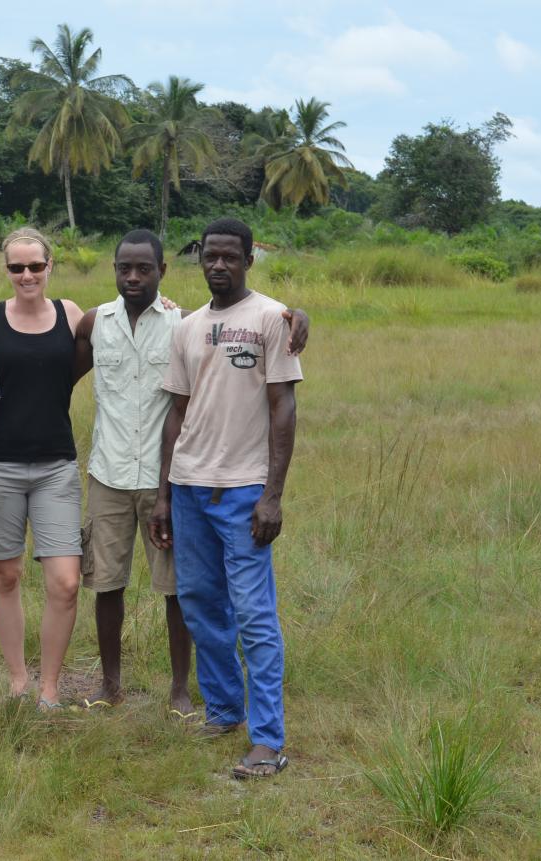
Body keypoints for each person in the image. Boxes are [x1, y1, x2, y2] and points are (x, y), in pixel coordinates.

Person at [73, 229, 308, 715]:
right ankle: (121, 686)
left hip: (201, 483)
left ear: (164, 271)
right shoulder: (102, 323)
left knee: (188, 592)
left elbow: (273, 395)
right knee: (123, 586)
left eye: (145, 268)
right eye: (124, 267)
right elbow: (55, 371)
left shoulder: (185, 321)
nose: (133, 276)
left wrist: (298, 317)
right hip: (124, 475)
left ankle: (188, 693)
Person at [150, 217, 301, 780]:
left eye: (229, 257)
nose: (218, 265)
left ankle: (267, 741)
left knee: (255, 615)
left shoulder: (270, 318)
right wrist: (164, 495)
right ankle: (222, 709)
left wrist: (272, 495)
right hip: (189, 489)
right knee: (200, 605)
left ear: (247, 261)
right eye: (209, 256)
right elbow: (176, 414)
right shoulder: (187, 328)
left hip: (242, 493)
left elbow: (284, 407)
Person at [0, 228, 85, 710]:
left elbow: (134, 325)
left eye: (35, 266)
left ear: (50, 266)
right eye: (16, 267)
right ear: (6, 270)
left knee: (65, 581)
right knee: (7, 575)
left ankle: (51, 687)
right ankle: (19, 681)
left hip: (56, 466)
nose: (26, 275)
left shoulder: (72, 314)